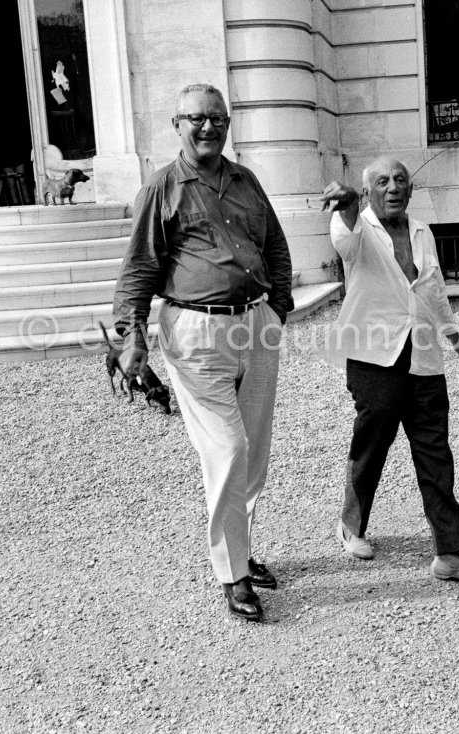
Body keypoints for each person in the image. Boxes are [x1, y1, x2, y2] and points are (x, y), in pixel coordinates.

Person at [113, 84, 293, 621]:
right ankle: (232, 575)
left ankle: (241, 548)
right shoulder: (161, 188)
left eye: (218, 119)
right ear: (177, 124)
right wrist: (132, 337)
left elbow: (276, 246)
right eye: (197, 118)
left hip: (256, 325)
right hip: (195, 330)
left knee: (253, 453)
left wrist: (277, 308)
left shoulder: (245, 181)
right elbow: (139, 270)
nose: (209, 127)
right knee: (228, 448)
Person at [320, 157, 459, 584]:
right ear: (367, 192)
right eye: (382, 182)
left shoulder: (421, 231)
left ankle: (449, 554)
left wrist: (457, 341)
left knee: (436, 452)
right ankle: (351, 526)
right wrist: (345, 205)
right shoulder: (358, 228)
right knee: (371, 446)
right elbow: (344, 241)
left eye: (400, 180)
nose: (393, 187)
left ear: (411, 190)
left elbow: (433, 290)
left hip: (423, 359)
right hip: (374, 359)